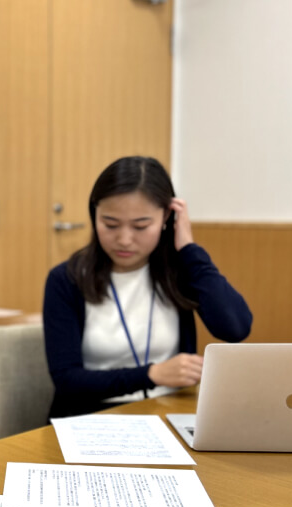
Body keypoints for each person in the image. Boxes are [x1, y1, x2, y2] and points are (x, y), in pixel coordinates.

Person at [43, 156, 252, 418]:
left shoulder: (179, 272)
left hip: (171, 414)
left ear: (167, 217)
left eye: (141, 226)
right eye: (110, 224)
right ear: (94, 213)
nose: (124, 239)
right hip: (89, 418)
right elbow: (67, 380)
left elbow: (235, 328)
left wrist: (189, 249)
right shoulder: (67, 279)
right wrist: (152, 374)